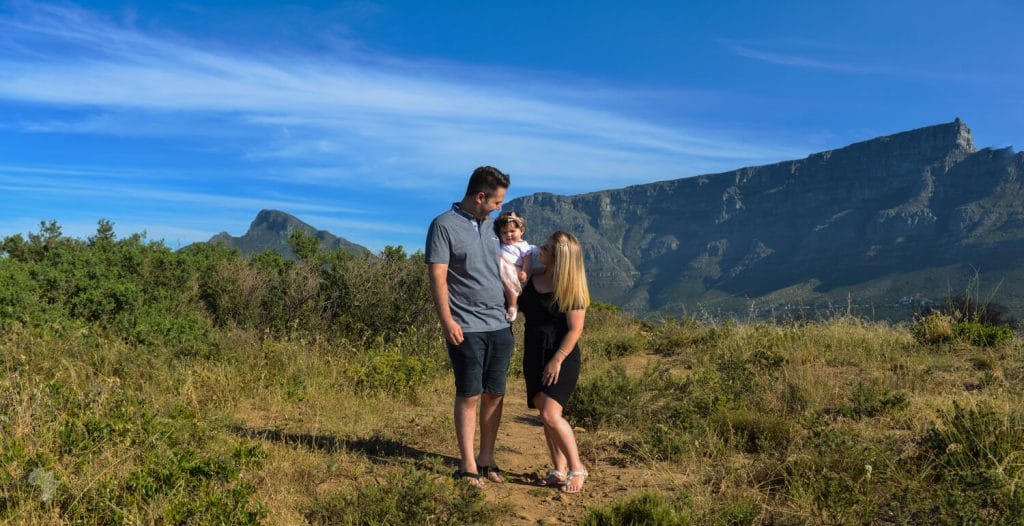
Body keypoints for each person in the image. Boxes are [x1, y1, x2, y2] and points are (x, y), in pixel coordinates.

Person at [425, 166, 514, 487]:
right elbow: (437, 276)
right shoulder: (443, 226)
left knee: (495, 394)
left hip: (500, 325)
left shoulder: (492, 227)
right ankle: (467, 465)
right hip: (466, 326)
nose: (499, 208)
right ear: (480, 197)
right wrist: (447, 320)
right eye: (496, 202)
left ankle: (486, 459)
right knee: (470, 394)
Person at [518, 230, 591, 493]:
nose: (541, 249)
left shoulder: (571, 287)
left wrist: (557, 360)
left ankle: (577, 468)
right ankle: (559, 469)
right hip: (533, 354)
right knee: (544, 415)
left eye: (547, 248)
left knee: (551, 413)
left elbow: (575, 329)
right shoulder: (534, 275)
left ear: (561, 258)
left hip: (561, 356)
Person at [494, 211, 535, 322]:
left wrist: (525, 272)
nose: (508, 235)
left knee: (511, 289)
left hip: (515, 274)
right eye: (504, 232)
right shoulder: (501, 244)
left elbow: (527, 262)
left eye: (512, 231)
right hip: (503, 273)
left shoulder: (523, 246)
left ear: (522, 231)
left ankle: (512, 305)